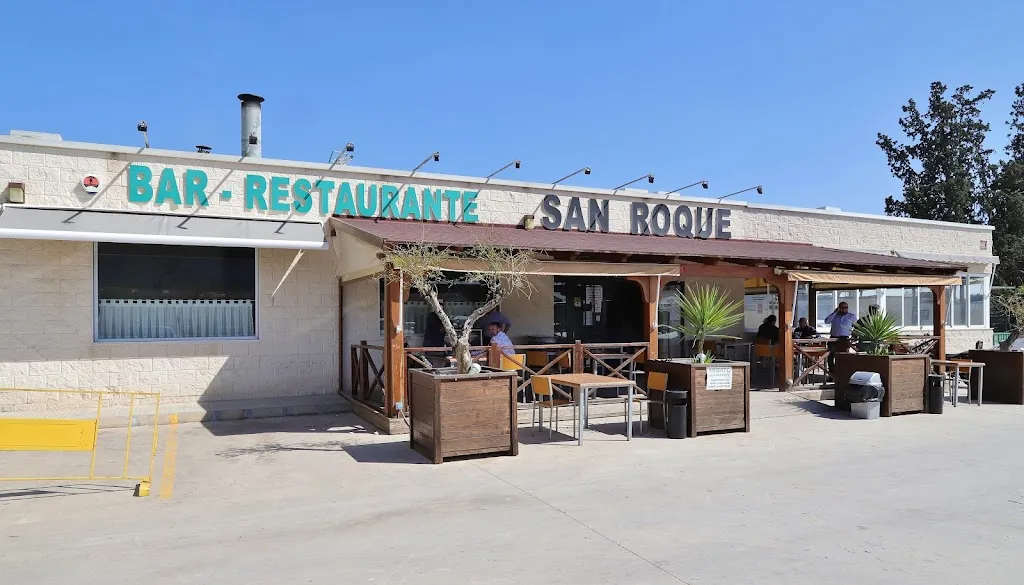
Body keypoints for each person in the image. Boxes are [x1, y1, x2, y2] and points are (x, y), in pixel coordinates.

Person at [824, 301, 857, 381]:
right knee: (830, 358)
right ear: (839, 308)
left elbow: (856, 327)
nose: (844, 309)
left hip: (844, 339)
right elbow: (827, 321)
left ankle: (842, 375)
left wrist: (853, 336)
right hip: (833, 338)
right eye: (842, 308)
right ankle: (832, 375)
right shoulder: (834, 315)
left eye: (846, 307)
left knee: (843, 358)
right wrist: (835, 312)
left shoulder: (851, 316)